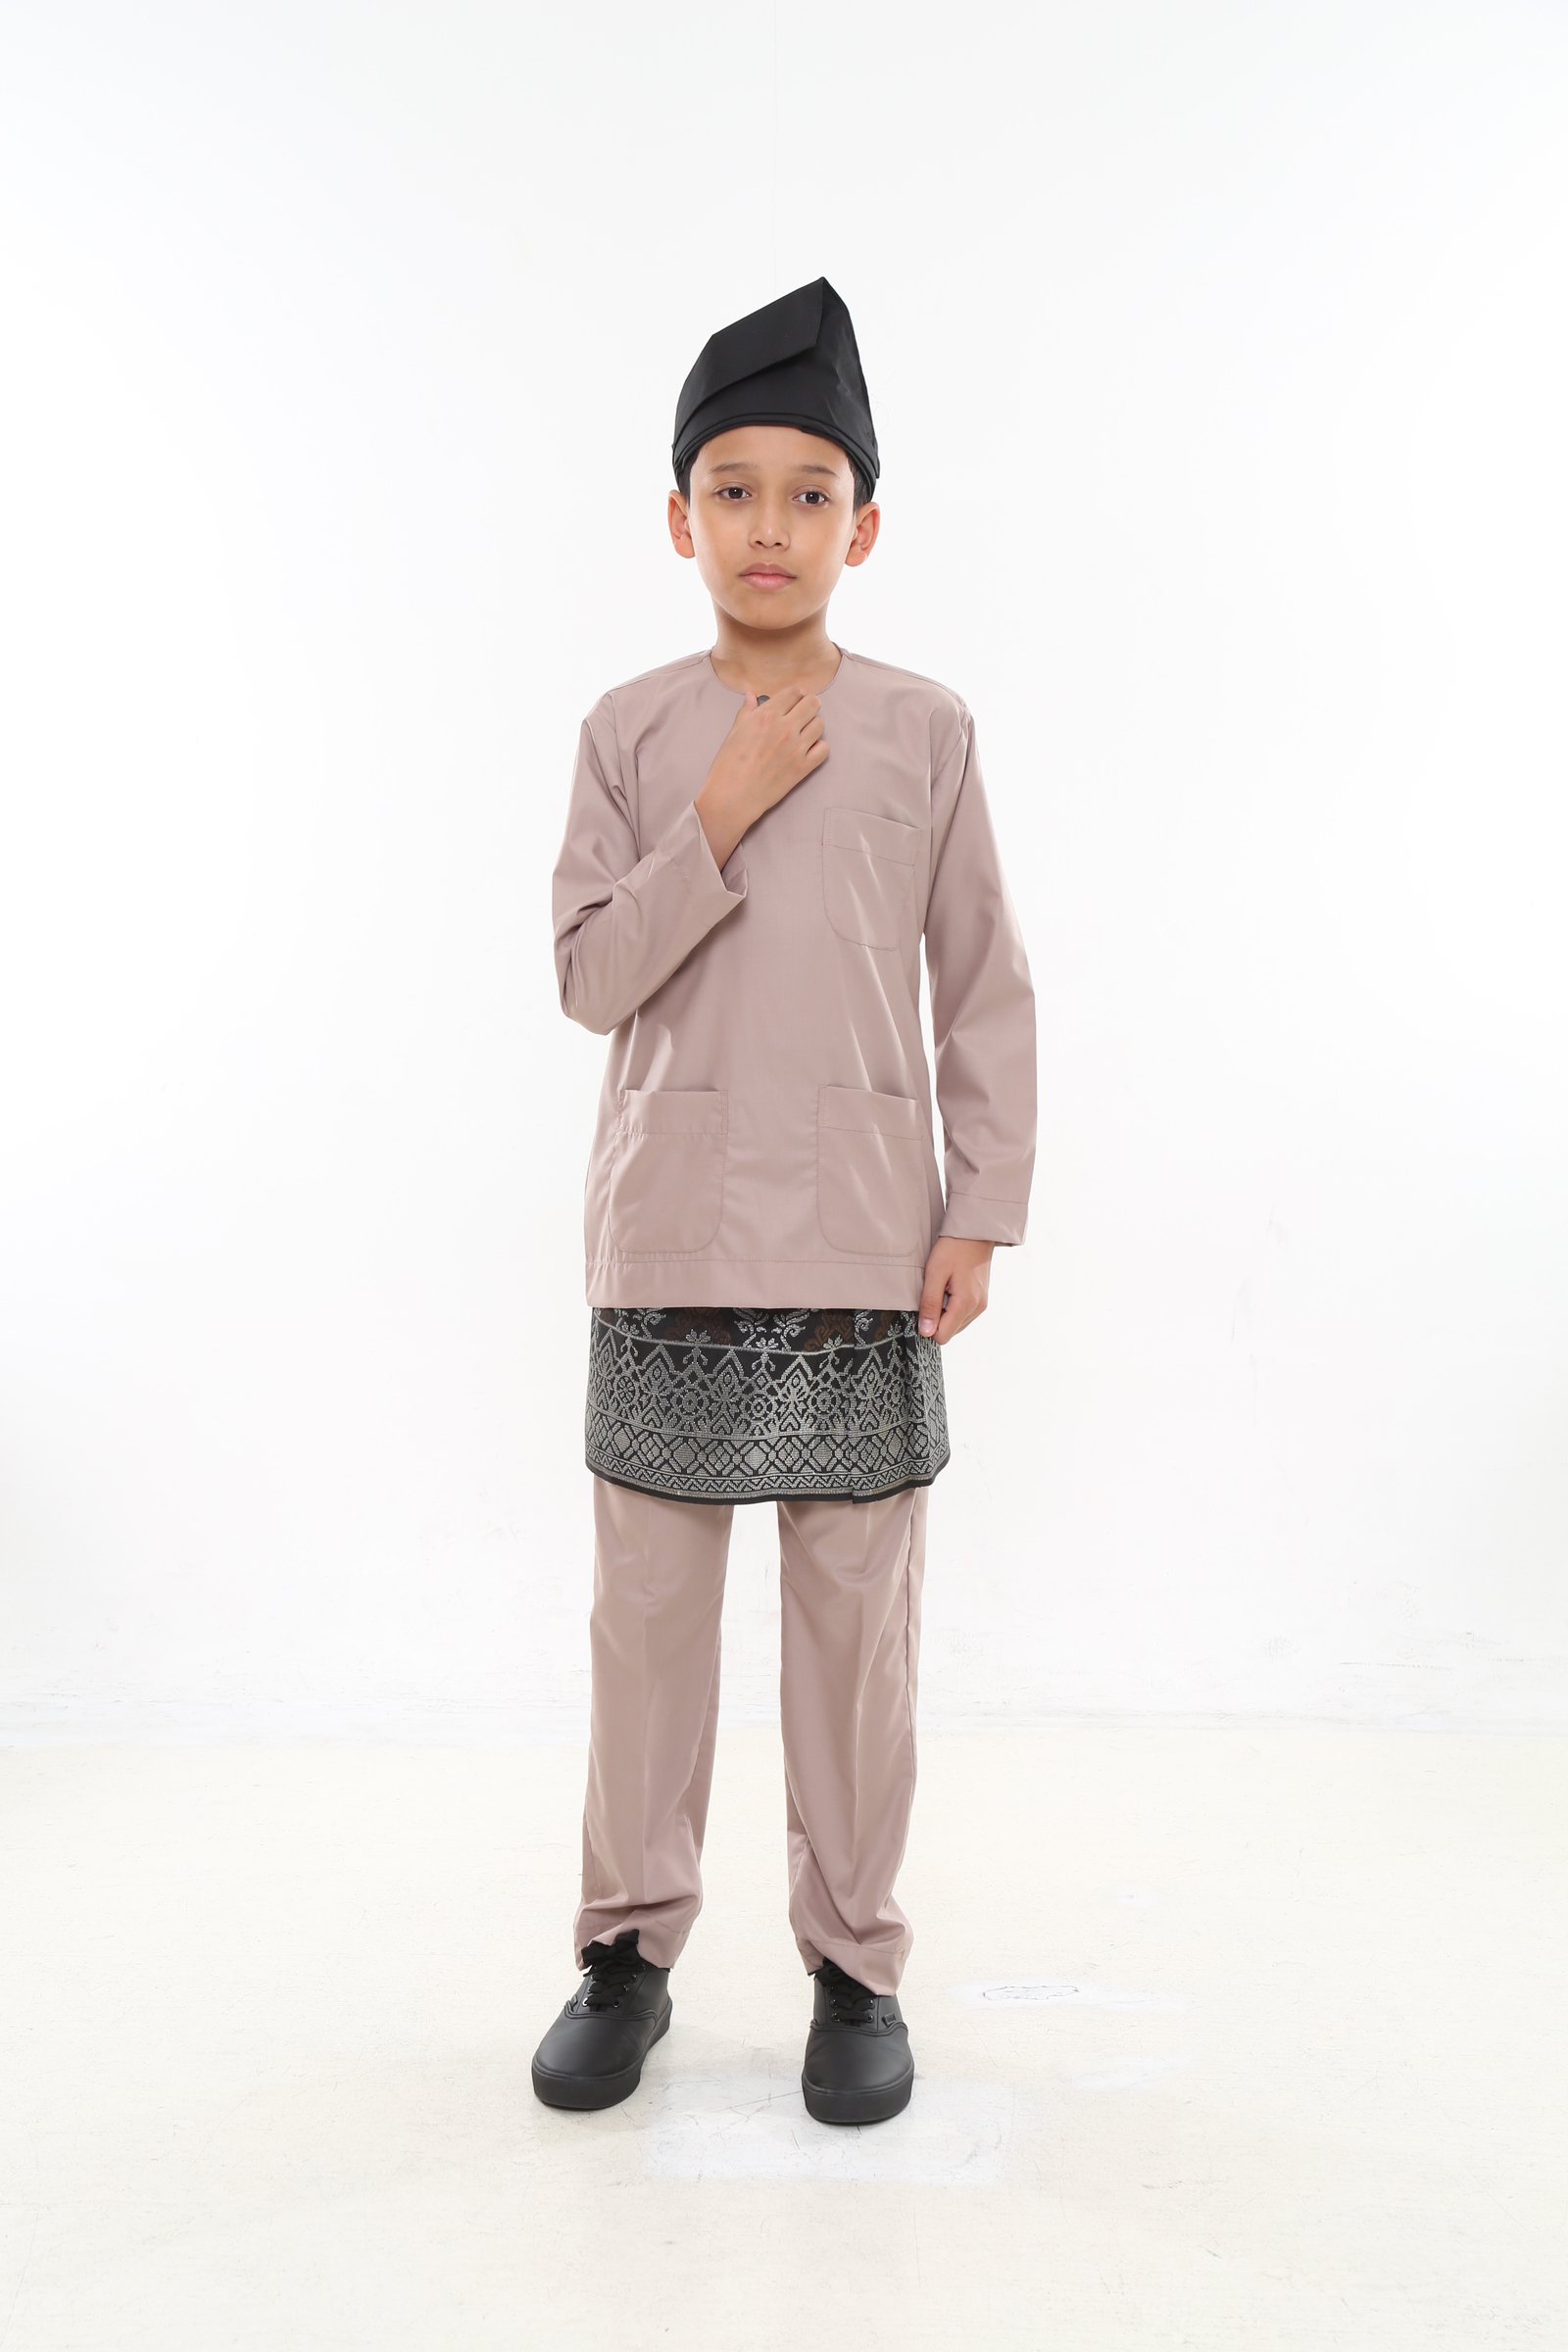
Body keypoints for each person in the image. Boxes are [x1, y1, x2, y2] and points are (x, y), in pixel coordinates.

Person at [534, 278, 1036, 2126]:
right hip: (668, 1238)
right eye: (731, 490)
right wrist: (720, 813)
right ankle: (627, 1951)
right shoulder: (630, 731)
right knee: (649, 1633)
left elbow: (983, 979)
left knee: (854, 1641)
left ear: (863, 527)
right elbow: (590, 978)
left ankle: (855, 1967)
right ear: (679, 520)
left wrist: (978, 1204)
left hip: (861, 1243)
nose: (770, 526)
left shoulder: (924, 729)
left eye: (809, 493)